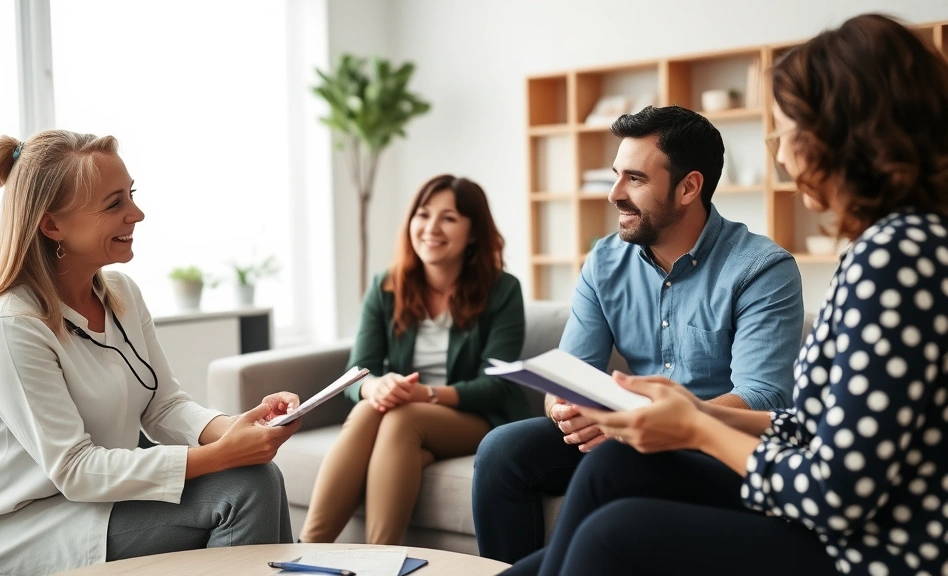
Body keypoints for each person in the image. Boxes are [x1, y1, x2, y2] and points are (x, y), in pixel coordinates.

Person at [503, 13, 948, 576]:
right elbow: (810, 425)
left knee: (614, 535)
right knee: (605, 474)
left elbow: (837, 491)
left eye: (785, 134)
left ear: (843, 135)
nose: (782, 157)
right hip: (832, 514)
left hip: (869, 550)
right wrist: (687, 408)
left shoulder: (895, 256)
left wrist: (696, 427)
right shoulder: (891, 247)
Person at [0, 131, 302, 576]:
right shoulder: (9, 328)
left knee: (256, 479)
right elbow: (75, 469)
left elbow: (163, 403)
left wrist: (236, 428)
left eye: (131, 195)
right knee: (243, 489)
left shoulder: (121, 294)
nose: (138, 213)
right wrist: (225, 455)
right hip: (10, 531)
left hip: (89, 505)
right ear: (52, 225)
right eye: (114, 204)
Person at [473, 105, 806, 563]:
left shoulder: (762, 269)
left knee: (619, 465)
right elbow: (569, 373)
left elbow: (764, 395)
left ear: (689, 187)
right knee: (501, 451)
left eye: (635, 179)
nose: (613, 194)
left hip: (707, 443)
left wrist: (647, 423)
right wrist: (568, 409)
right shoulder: (605, 262)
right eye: (616, 175)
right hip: (623, 430)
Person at [299, 174, 528, 545]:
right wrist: (378, 385)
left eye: (449, 218)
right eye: (423, 214)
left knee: (401, 417)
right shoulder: (386, 286)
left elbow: (497, 386)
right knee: (371, 409)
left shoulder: (502, 290)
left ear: (473, 232)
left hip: (476, 416)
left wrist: (425, 394)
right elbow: (357, 373)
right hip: (403, 412)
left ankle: (378, 561)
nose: (431, 228)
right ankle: (305, 554)